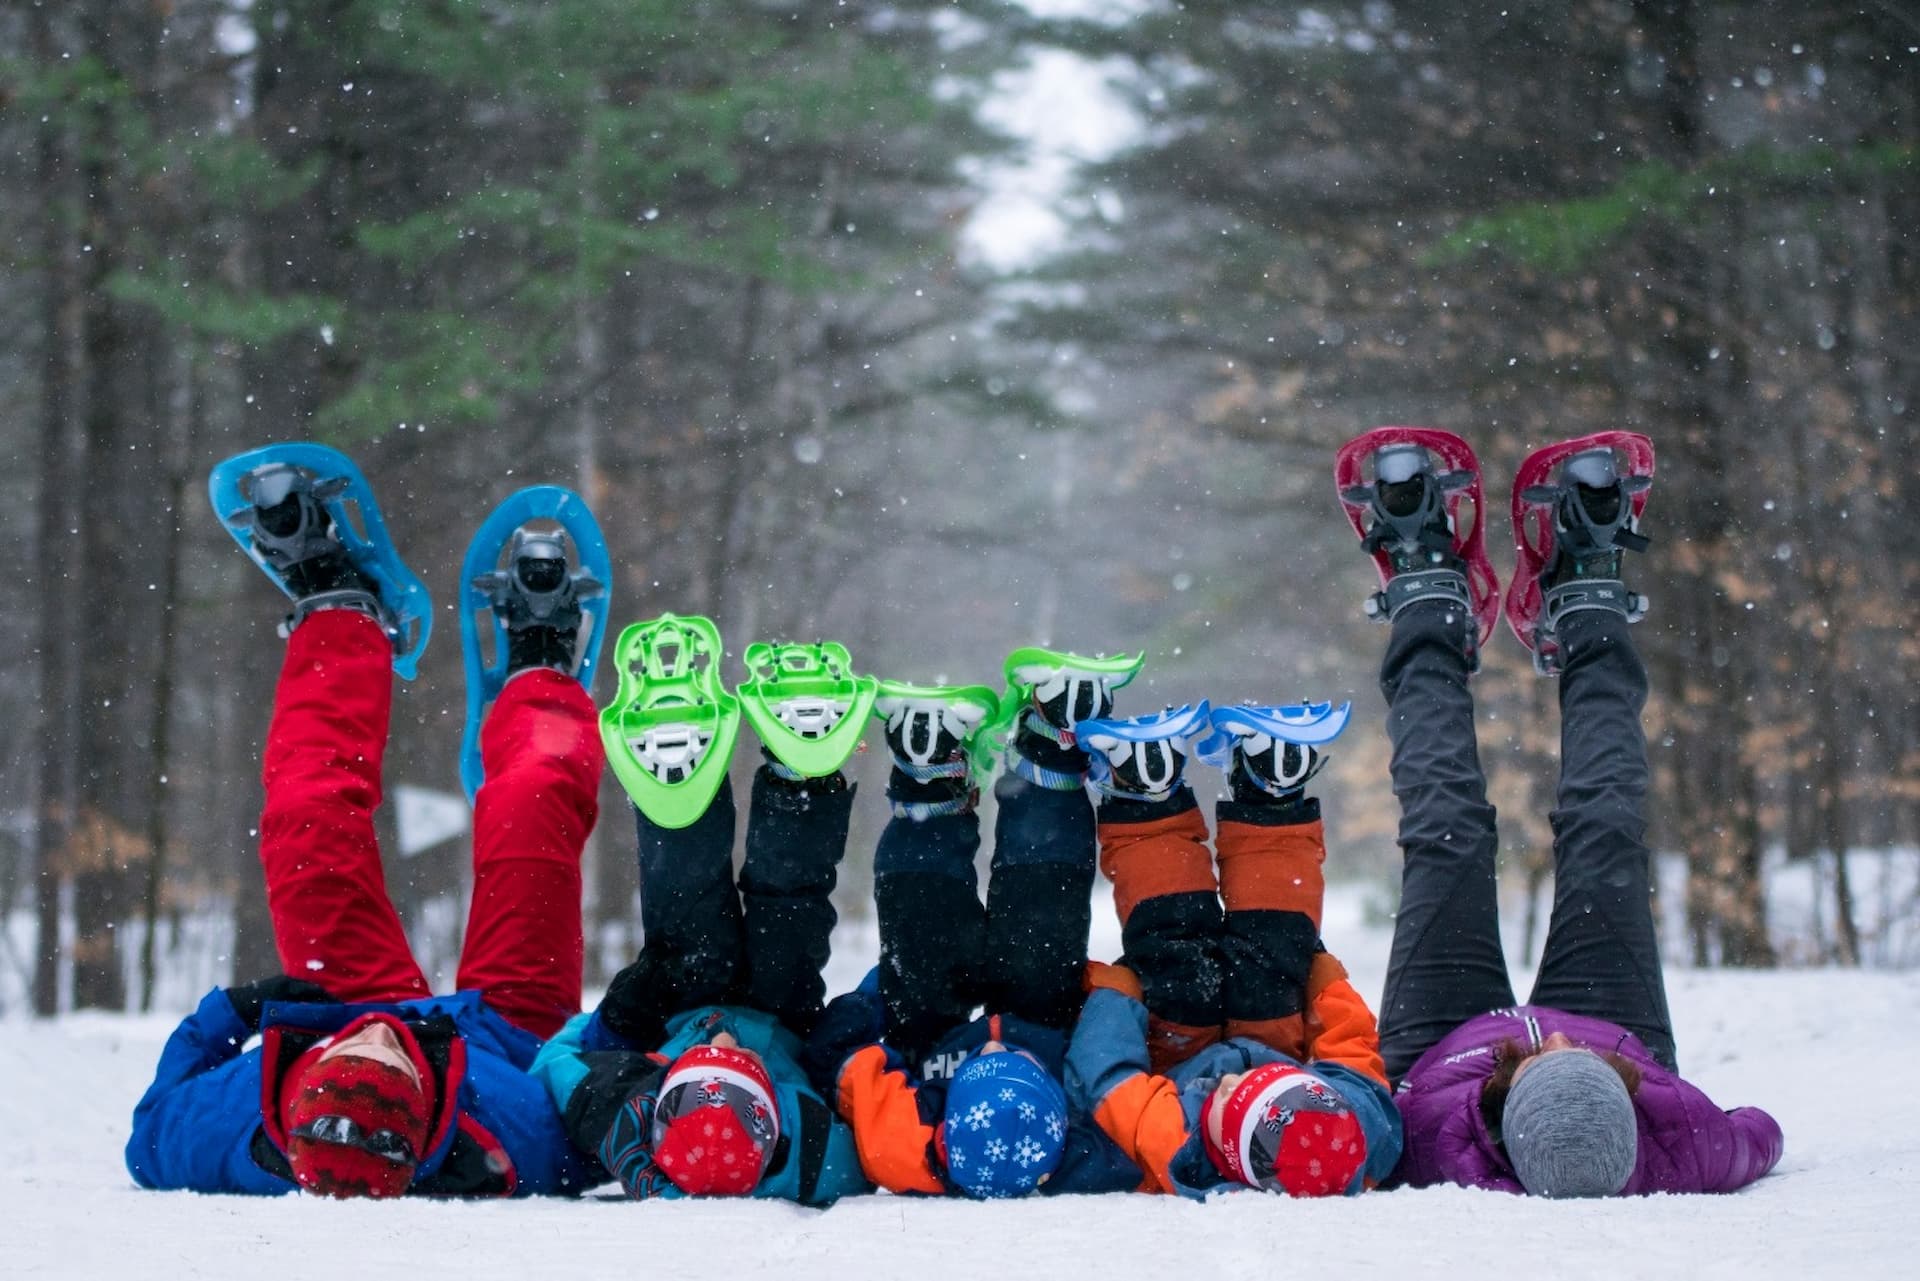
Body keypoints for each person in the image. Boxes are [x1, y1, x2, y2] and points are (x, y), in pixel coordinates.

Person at [127, 459, 603, 1197]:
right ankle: (538, 668)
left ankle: (340, 603)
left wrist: (233, 1013)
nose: (386, 1033)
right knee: (532, 814)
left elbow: (148, 1129)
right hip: (511, 1041)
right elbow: (605, 1125)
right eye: (396, 1060)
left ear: (293, 1094)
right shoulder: (519, 1142)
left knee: (305, 826)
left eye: (359, 1051)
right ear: (429, 1114)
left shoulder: (224, 1130)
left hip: (335, 1001)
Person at [1349, 434, 1784, 1197]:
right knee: (1606, 831)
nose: (1554, 1040)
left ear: (1506, 1102)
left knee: (1447, 835)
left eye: (1545, 1063)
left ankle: (1427, 588)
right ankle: (1588, 590)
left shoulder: (1432, 1146)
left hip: (1438, 1049)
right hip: (1624, 1028)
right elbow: (1759, 1133)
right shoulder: (1682, 1141)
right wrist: (1632, 1074)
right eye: (1580, 1065)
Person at [806, 662, 1143, 1198]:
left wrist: (874, 998)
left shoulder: (906, 1141)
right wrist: (1108, 991)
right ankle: (1051, 740)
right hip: (1043, 1012)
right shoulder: (1075, 1137)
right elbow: (1132, 1120)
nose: (992, 1054)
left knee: (922, 936)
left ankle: (929, 768)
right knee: (1043, 918)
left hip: (929, 1032)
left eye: (980, 1073)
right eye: (1013, 1067)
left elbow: (844, 1065)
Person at [1064, 702, 1402, 1198]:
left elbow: (1108, 1078)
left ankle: (1151, 779)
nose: (1229, 1083)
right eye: (1251, 1087)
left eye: (1230, 1102)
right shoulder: (1354, 1136)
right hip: (1273, 1024)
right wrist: (1326, 984)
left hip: (1180, 1034)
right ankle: (1272, 772)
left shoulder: (1179, 1144)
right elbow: (1354, 1057)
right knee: (1277, 937)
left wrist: (1119, 999)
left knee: (1176, 943)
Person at [530, 742, 869, 1205]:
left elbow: (554, 1065)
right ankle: (801, 778)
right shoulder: (813, 1157)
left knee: (687, 918)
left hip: (689, 1003)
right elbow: (867, 1151)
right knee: (789, 919)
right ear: (773, 1107)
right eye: (742, 1062)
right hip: (783, 1016)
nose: (724, 1041)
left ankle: (678, 786)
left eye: (705, 1057)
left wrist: (607, 1023)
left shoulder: (624, 1117)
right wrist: (850, 1035)